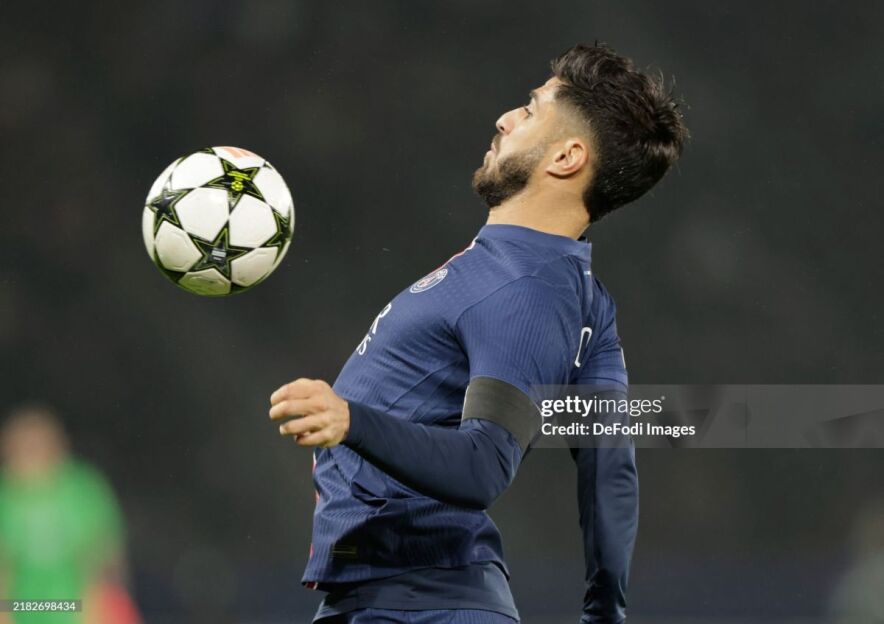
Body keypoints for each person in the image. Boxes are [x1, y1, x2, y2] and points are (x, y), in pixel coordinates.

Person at [269, 43, 688, 623]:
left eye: (530, 109)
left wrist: (351, 420)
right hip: (388, 599)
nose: (505, 119)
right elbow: (609, 471)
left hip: (421, 604)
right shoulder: (577, 296)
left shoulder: (523, 290)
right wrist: (604, 615)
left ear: (567, 157)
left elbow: (484, 465)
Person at [0, 404, 140, 624]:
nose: (31, 454)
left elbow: (105, 555)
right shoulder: (5, 495)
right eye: (23, 446)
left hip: (77, 599)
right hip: (23, 601)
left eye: (39, 445)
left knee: (113, 605)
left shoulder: (84, 488)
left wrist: (92, 604)